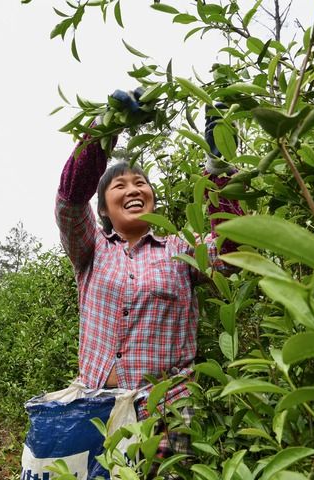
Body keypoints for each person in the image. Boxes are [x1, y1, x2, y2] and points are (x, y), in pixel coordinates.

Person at [54, 99, 243, 461]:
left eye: (140, 183)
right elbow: (69, 200)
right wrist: (103, 129)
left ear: (153, 199)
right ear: (104, 209)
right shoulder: (91, 250)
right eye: (118, 186)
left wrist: (220, 168)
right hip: (93, 408)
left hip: (165, 413)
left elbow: (233, 249)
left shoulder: (181, 248)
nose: (132, 190)